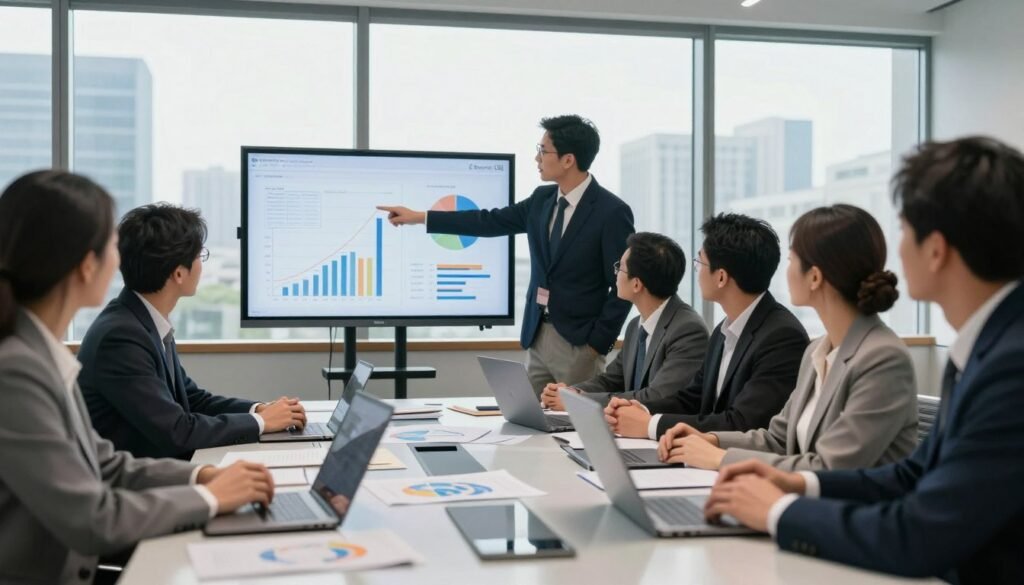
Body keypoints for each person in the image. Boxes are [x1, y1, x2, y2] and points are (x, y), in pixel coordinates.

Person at [704, 137, 1024, 584]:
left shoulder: (1011, 366)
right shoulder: (983, 347)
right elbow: (914, 473)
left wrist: (777, 511)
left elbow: (918, 536)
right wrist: (799, 484)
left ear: (935, 249)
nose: (898, 250)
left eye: (905, 231)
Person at [0, 171, 275, 584]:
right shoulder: (18, 369)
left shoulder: (42, 352)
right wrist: (208, 497)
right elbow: (93, 518)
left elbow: (105, 465)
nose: (121, 258)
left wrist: (201, 476)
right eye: (112, 244)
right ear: (85, 265)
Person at [378, 115, 634, 395]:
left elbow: (624, 283)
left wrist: (599, 343)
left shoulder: (611, 212)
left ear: (568, 159)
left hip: (579, 343)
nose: (537, 158)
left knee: (574, 428)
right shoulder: (541, 200)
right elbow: (488, 221)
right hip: (538, 335)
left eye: (543, 150)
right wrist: (419, 217)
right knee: (528, 420)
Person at [657, 204, 918, 471]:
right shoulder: (818, 351)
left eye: (792, 260)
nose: (786, 270)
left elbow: (831, 468)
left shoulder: (883, 358)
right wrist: (709, 439)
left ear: (814, 277)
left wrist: (719, 458)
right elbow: (777, 439)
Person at [79, 204, 306, 460]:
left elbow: (192, 399)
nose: (201, 264)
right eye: (200, 255)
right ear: (178, 273)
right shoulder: (121, 337)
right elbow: (177, 431)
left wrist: (259, 409)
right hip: (134, 486)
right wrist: (261, 423)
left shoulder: (143, 320)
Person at [604, 213, 808, 439]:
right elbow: (692, 398)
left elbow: (743, 422)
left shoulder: (782, 336)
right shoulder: (724, 329)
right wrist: (638, 410)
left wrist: (651, 425)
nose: (697, 271)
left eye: (700, 262)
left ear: (721, 277)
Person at [539, 232, 708, 410]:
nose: (616, 273)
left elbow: (658, 397)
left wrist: (578, 402)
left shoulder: (688, 329)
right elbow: (611, 379)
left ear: (636, 284)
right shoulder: (636, 325)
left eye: (620, 267)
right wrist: (570, 393)